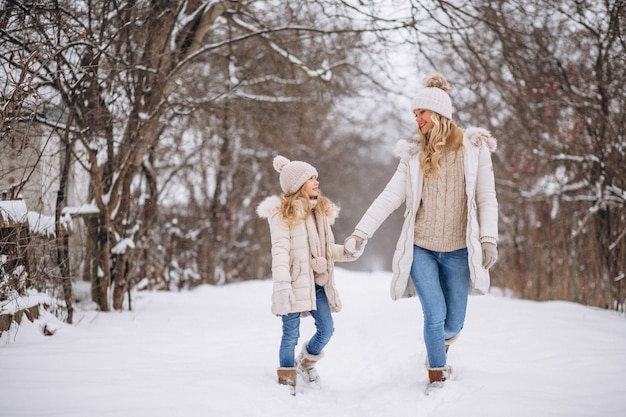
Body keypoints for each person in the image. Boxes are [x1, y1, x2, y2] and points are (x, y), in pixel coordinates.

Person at [345, 72, 499, 390]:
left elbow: (487, 197)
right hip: (422, 249)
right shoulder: (415, 155)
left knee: (454, 322)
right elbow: (389, 197)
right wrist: (361, 233)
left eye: (421, 113)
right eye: (414, 114)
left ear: (439, 113)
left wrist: (488, 238)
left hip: (458, 250)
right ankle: (437, 376)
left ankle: (437, 348)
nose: (417, 119)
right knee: (435, 314)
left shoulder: (474, 150)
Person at [257, 155, 357, 395]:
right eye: (311, 178)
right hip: (292, 283)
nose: (316, 182)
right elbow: (280, 251)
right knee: (290, 333)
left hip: (317, 283)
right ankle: (286, 379)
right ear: (297, 184)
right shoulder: (283, 214)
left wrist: (348, 251)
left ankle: (306, 363)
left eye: (316, 177)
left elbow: (327, 250)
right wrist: (282, 285)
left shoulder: (319, 212)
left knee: (327, 328)